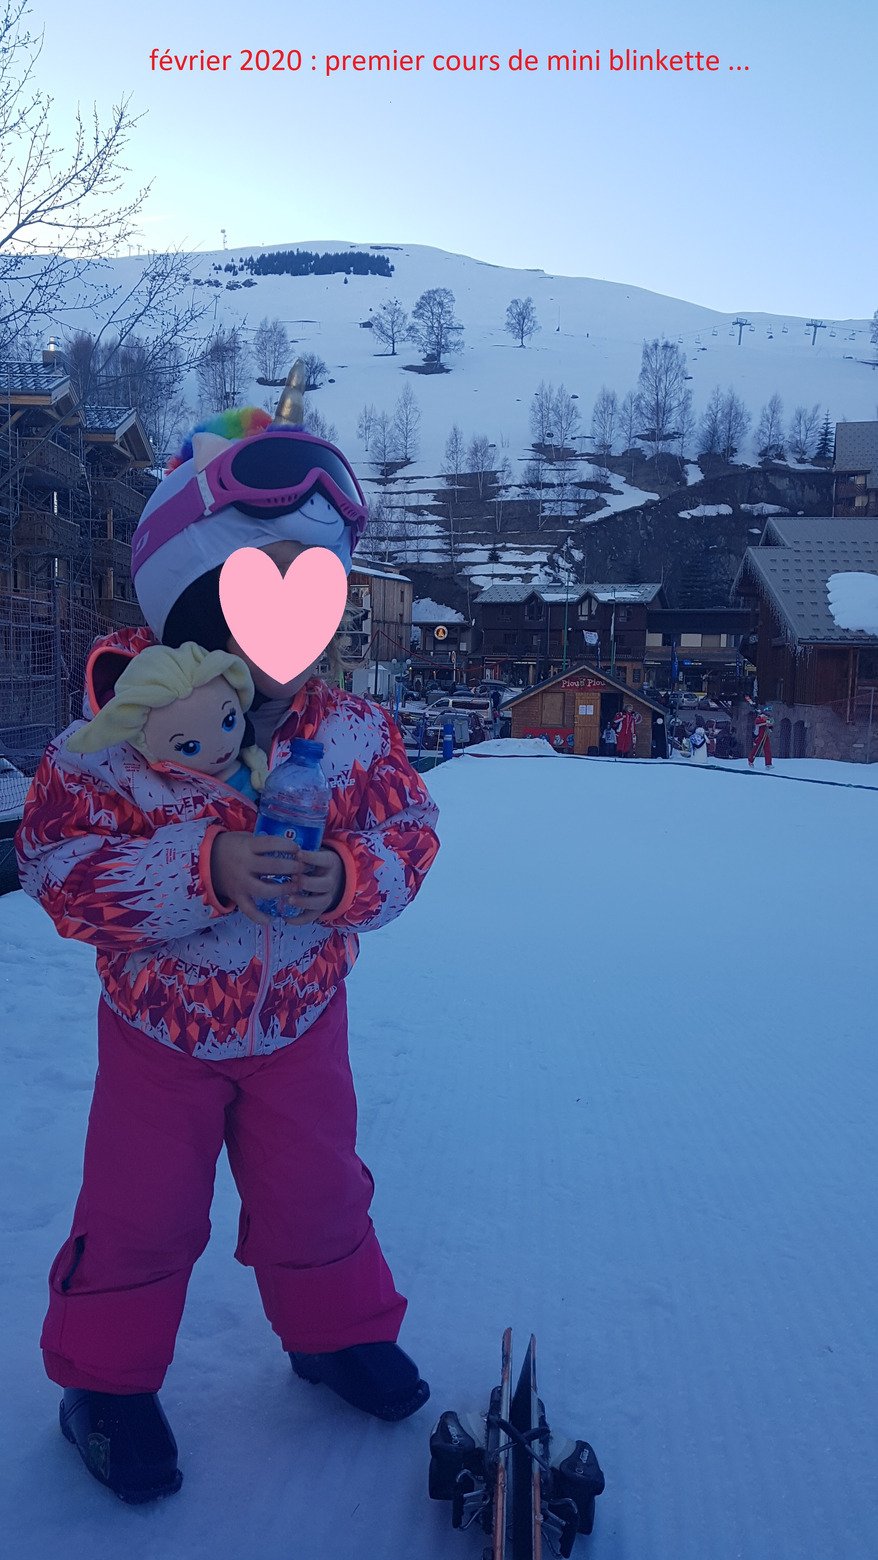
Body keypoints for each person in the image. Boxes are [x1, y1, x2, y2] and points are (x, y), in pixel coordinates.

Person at [15, 366, 441, 1504]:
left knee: (318, 1194)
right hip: (159, 1033)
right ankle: (104, 1384)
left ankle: (336, 1333)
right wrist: (204, 868)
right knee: (141, 1212)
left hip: (299, 1018)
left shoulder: (354, 732)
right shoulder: (111, 743)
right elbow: (58, 870)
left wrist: (347, 875)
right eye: (258, 584)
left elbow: (409, 835)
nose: (290, 621)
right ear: (189, 590)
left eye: (314, 587)